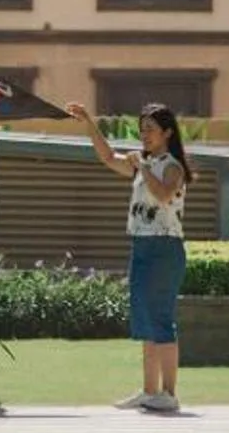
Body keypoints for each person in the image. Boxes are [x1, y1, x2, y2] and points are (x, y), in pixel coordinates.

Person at [67, 99, 192, 413]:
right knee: (145, 323)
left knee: (161, 320)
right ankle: (150, 392)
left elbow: (164, 194)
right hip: (141, 245)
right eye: (142, 130)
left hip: (164, 247)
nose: (144, 135)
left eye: (150, 129)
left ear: (167, 133)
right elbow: (108, 157)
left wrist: (145, 165)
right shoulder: (143, 164)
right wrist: (89, 123)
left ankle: (169, 394)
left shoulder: (172, 166)